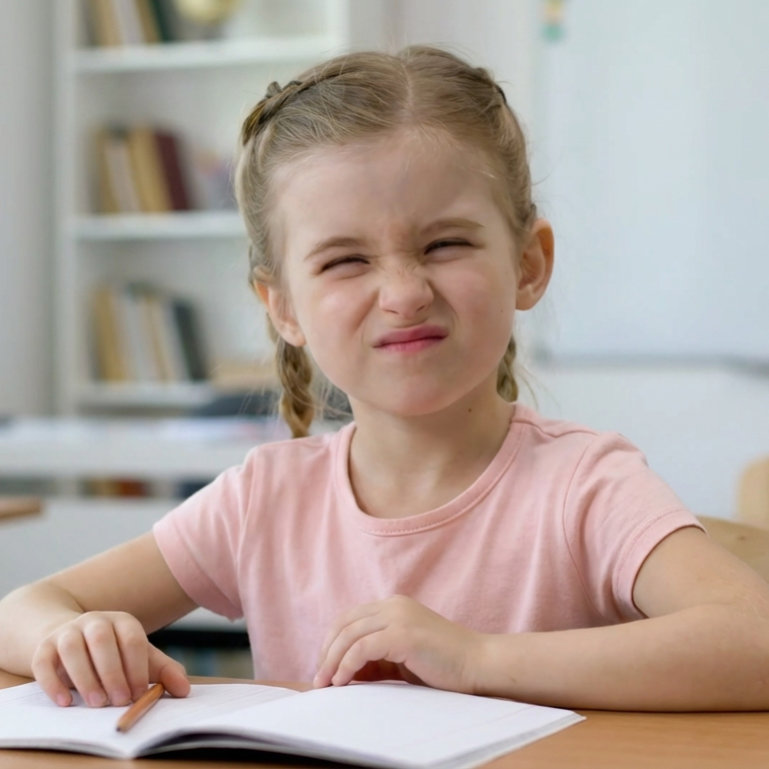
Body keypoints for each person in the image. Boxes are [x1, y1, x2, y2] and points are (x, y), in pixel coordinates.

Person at [1, 45, 769, 712]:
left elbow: (754, 638)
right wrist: (73, 633)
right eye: (345, 260)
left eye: (443, 244)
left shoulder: (585, 484)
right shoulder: (264, 498)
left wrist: (478, 660)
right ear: (283, 307)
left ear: (528, 263)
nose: (403, 292)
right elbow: (23, 610)